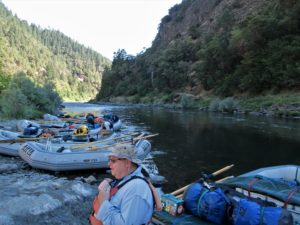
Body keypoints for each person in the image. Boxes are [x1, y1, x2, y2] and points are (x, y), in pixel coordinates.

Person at [89, 144, 160, 225]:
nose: (109, 164)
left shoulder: (136, 188)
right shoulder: (125, 179)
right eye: (109, 160)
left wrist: (103, 202)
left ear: (127, 163)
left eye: (113, 160)